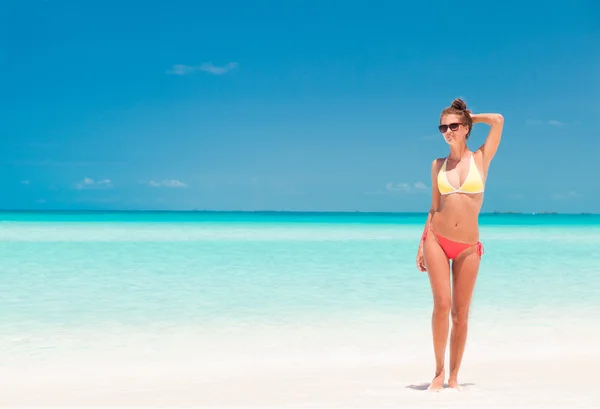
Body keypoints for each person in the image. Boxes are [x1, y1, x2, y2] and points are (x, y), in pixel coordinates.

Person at [415, 98, 504, 391]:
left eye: (453, 126)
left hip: (468, 246)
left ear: (465, 128)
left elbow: (499, 120)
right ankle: (438, 372)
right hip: (437, 240)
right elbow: (433, 207)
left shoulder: (480, 159)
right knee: (442, 305)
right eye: (443, 127)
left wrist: (471, 116)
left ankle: (454, 376)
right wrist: (421, 243)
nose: (447, 131)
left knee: (460, 314)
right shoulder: (437, 165)